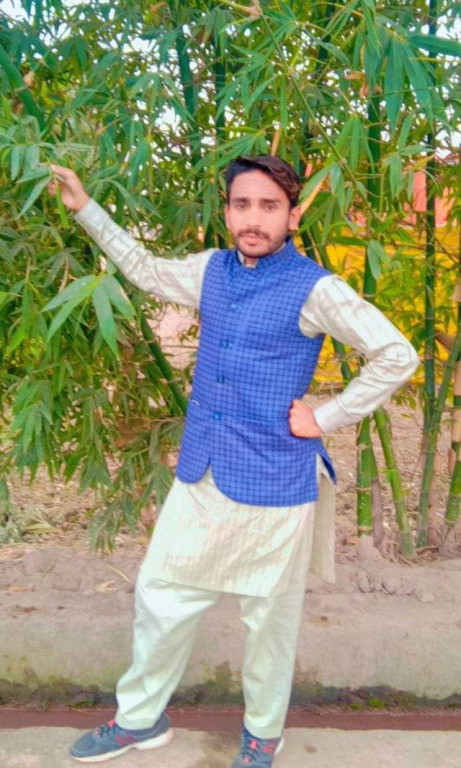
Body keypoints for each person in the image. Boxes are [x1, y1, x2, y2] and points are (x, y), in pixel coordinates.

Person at [47, 155, 419, 767]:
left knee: (269, 620)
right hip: (203, 470)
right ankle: (140, 719)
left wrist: (326, 416)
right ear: (226, 212)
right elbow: (144, 269)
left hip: (275, 478)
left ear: (292, 216)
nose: (253, 218)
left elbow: (396, 354)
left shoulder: (316, 288)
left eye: (269, 206)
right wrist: (86, 208)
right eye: (242, 205)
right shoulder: (211, 270)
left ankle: (263, 734)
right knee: (161, 594)